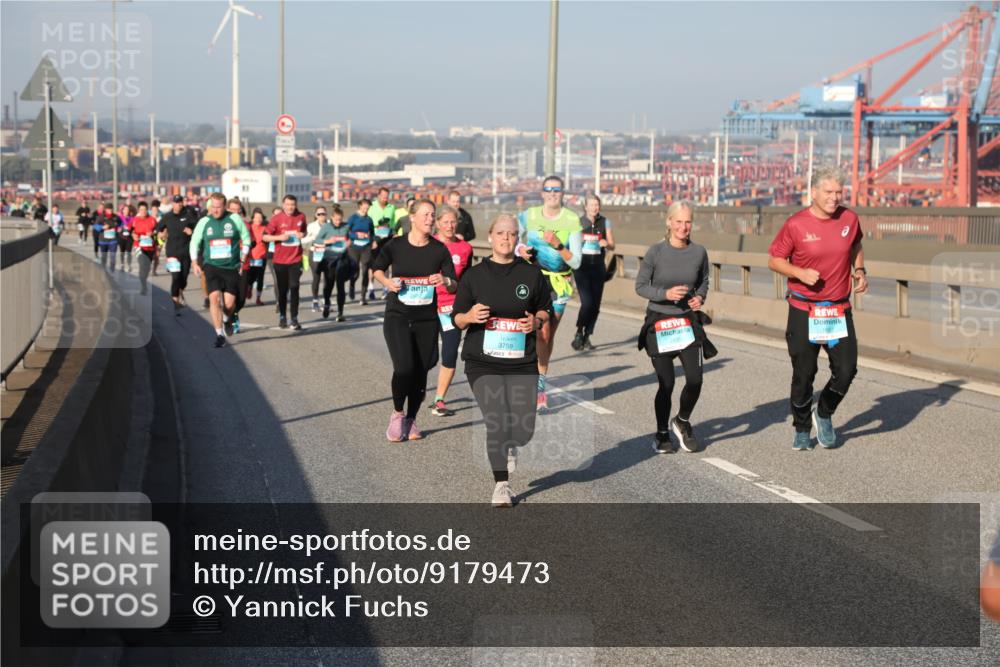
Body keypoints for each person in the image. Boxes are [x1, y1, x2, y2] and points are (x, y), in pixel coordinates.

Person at [453, 213, 552, 507]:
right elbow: (456, 317)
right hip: (482, 361)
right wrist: (469, 317)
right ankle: (501, 485)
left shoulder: (532, 274)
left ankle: (512, 444)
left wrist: (536, 321)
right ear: (490, 237)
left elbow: (546, 310)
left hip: (521, 362)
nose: (506, 239)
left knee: (522, 430)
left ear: (517, 238)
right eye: (500, 234)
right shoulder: (473, 276)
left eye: (511, 234)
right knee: (496, 419)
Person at [768, 166, 867, 451]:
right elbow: (775, 260)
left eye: (839, 192)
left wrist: (859, 269)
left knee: (847, 370)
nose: (835, 198)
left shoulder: (849, 218)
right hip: (804, 308)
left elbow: (855, 244)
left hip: (837, 309)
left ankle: (823, 412)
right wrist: (799, 272)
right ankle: (801, 428)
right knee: (804, 372)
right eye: (828, 192)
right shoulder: (796, 224)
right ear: (813, 192)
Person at [372, 199, 457, 442]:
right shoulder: (396, 245)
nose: (430, 219)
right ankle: (397, 414)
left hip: (427, 318)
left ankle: (411, 418)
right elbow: (378, 268)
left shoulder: (439, 250)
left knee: (421, 370)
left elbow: (453, 284)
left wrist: (445, 281)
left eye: (433, 215)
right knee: (404, 368)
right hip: (398, 314)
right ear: (412, 217)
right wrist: (387, 283)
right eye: (426, 215)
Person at [635, 200, 709, 454]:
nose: (683, 227)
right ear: (669, 222)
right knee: (666, 383)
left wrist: (700, 297)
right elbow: (640, 286)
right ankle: (662, 433)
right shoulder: (655, 252)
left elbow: (703, 281)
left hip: (687, 322)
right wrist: (665, 293)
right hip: (660, 323)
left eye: (687, 221)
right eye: (678, 221)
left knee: (695, 379)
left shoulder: (699, 252)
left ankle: (682, 421)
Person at [517, 175, 583, 409]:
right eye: (549, 189)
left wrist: (558, 245)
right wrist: (520, 249)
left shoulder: (572, 219)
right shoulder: (529, 215)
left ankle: (539, 387)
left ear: (563, 194)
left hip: (558, 285)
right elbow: (512, 239)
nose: (553, 193)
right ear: (542, 193)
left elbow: (575, 262)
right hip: (532, 281)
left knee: (546, 336)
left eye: (557, 190)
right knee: (531, 332)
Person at [428, 205, 473, 417]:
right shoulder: (428, 244)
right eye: (445, 222)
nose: (449, 225)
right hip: (427, 306)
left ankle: (439, 400)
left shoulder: (465, 248)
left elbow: (468, 279)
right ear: (437, 223)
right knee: (428, 357)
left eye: (453, 222)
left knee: (450, 353)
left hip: (451, 308)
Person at [190, 192, 251, 348]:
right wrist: (195, 262)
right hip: (212, 266)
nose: (215, 210)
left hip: (231, 267)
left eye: (218, 207)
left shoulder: (234, 219)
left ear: (224, 207)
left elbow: (246, 238)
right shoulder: (204, 222)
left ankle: (226, 319)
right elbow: (194, 242)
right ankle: (219, 334)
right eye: (213, 207)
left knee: (230, 305)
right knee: (214, 299)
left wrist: (243, 257)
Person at [571, 194, 615, 351]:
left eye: (597, 205)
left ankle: (587, 336)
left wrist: (606, 243)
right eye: (592, 205)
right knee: (587, 303)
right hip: (582, 268)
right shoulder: (578, 222)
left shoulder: (605, 222)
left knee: (595, 306)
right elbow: (570, 243)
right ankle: (578, 333)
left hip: (598, 268)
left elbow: (612, 245)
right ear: (585, 207)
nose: (595, 207)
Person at [262, 194, 307, 330]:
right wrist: (280, 237)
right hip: (280, 260)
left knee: (294, 288)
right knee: (283, 290)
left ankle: (294, 318)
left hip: (296, 259)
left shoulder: (301, 216)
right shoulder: (276, 219)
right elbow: (264, 237)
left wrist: (302, 235)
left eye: (293, 205)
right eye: (288, 205)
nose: (290, 207)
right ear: (283, 205)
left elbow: (304, 231)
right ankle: (282, 316)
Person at [156, 195, 198, 314]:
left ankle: (179, 291)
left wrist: (192, 232)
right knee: (175, 278)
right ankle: (175, 304)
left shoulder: (188, 215)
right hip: (172, 252)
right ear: (172, 204)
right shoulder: (167, 217)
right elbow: (158, 228)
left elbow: (198, 229)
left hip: (186, 251)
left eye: (180, 202)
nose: (179, 204)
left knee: (183, 279)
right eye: (176, 202)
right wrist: (161, 234)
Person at [311, 204, 352, 320]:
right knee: (328, 286)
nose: (338, 222)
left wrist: (349, 242)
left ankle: (340, 312)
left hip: (342, 259)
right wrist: (328, 241)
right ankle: (327, 304)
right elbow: (317, 240)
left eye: (340, 219)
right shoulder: (326, 227)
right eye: (336, 219)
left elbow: (350, 238)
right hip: (329, 260)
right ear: (332, 218)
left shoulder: (346, 227)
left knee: (341, 286)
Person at [347, 198, 376, 304]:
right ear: (360, 206)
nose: (366, 209)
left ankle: (363, 297)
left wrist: (373, 241)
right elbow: (346, 231)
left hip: (366, 247)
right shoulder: (353, 218)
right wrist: (356, 235)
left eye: (367, 208)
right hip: (354, 247)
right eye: (364, 207)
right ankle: (352, 285)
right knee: (355, 273)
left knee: (365, 271)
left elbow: (372, 232)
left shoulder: (369, 219)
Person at [131, 201, 159, 295]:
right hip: (139, 246)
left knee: (147, 268)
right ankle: (143, 286)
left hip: (150, 247)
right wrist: (133, 235)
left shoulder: (152, 220)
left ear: (148, 210)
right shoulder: (135, 220)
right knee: (142, 265)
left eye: (145, 209)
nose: (143, 211)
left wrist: (153, 234)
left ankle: (144, 282)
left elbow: (158, 233)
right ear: (138, 210)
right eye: (141, 209)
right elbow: (129, 231)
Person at [303, 207, 326, 313]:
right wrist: (312, 238)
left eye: (323, 214)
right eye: (319, 214)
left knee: (328, 278)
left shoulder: (329, 225)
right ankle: (315, 300)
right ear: (316, 215)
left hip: (327, 254)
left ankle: (326, 300)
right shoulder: (311, 226)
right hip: (315, 253)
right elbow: (303, 241)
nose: (321, 216)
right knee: (316, 277)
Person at [246, 208, 269, 306]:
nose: (258, 219)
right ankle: (249, 287)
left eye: (260, 217)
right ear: (253, 218)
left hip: (262, 256)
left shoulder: (265, 228)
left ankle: (258, 298)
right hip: (251, 255)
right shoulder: (249, 227)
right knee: (250, 277)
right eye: (256, 217)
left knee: (260, 278)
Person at [95, 206, 120, 272]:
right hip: (103, 241)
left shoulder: (116, 217)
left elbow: (121, 225)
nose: (110, 210)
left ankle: (112, 270)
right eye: (109, 209)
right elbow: (96, 226)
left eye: (111, 208)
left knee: (113, 257)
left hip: (113, 240)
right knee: (104, 257)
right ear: (106, 209)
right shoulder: (101, 217)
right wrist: (102, 227)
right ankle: (104, 271)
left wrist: (119, 228)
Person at [149, 199, 163, 276]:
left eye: (156, 209)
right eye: (153, 209)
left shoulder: (162, 215)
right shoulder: (147, 214)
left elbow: (165, 226)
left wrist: (163, 233)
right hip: (150, 237)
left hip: (159, 237)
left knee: (157, 254)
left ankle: (154, 270)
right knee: (151, 254)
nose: (155, 211)